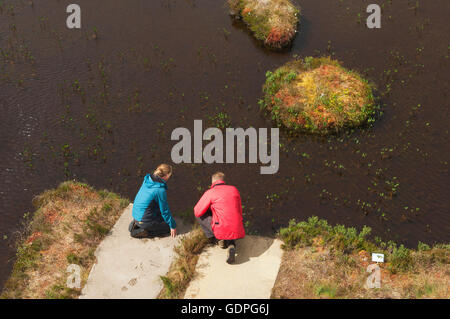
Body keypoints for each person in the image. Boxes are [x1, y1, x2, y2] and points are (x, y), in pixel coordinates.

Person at [194, 172, 245, 264]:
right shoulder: (234, 189)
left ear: (212, 182)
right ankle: (231, 245)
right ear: (223, 181)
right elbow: (239, 209)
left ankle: (216, 239)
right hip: (237, 227)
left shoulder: (210, 192)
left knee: (200, 215)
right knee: (229, 218)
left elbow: (197, 211)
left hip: (221, 227)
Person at [129, 164, 177, 239]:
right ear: (166, 175)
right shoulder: (160, 190)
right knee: (167, 227)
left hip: (136, 214)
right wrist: (172, 226)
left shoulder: (148, 179)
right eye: (170, 175)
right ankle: (142, 231)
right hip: (144, 219)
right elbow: (164, 211)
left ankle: (137, 223)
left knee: (162, 217)